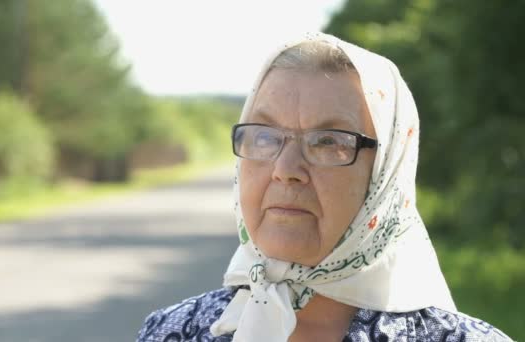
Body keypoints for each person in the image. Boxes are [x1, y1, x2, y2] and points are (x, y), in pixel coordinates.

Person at [136, 32, 514, 342]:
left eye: (329, 141)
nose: (285, 170)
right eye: (265, 136)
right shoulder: (172, 332)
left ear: (385, 176)